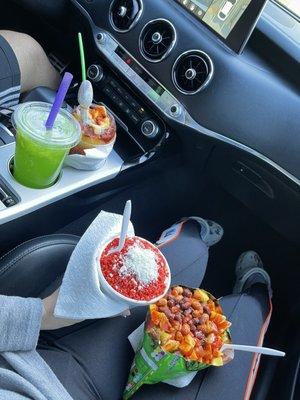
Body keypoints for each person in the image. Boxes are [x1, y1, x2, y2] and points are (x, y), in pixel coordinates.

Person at [0, 218, 272, 400]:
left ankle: (189, 231)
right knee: (244, 314)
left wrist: (45, 313)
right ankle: (257, 292)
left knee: (187, 254)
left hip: (32, 361)